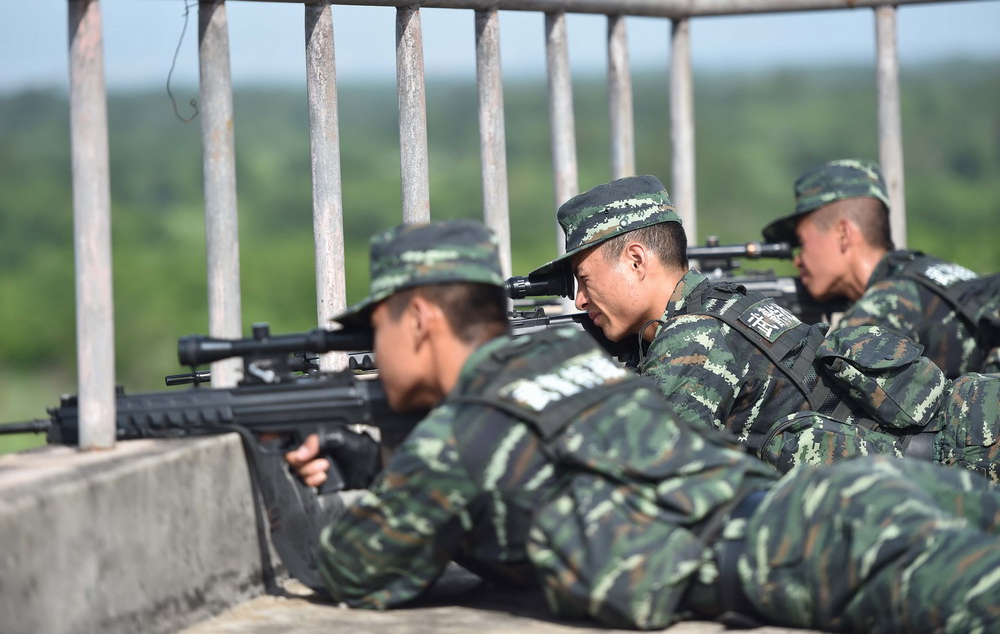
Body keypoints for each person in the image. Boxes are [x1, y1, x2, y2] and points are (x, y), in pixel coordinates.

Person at [286, 218, 1000, 632]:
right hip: (835, 499)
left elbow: (361, 567)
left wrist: (315, 491)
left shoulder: (463, 432)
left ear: (418, 320)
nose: (373, 354)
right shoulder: (558, 357)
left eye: (373, 328)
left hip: (799, 545)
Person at [529, 174, 1000, 480]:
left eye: (585, 280)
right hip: (971, 426)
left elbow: (649, 475)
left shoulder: (693, 339)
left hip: (972, 455)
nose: (580, 299)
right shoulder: (723, 307)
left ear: (635, 260)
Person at [762, 158, 1000, 378]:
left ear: (843, 234)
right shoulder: (927, 271)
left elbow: (822, 398)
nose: (798, 260)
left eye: (802, 244)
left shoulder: (880, 309)